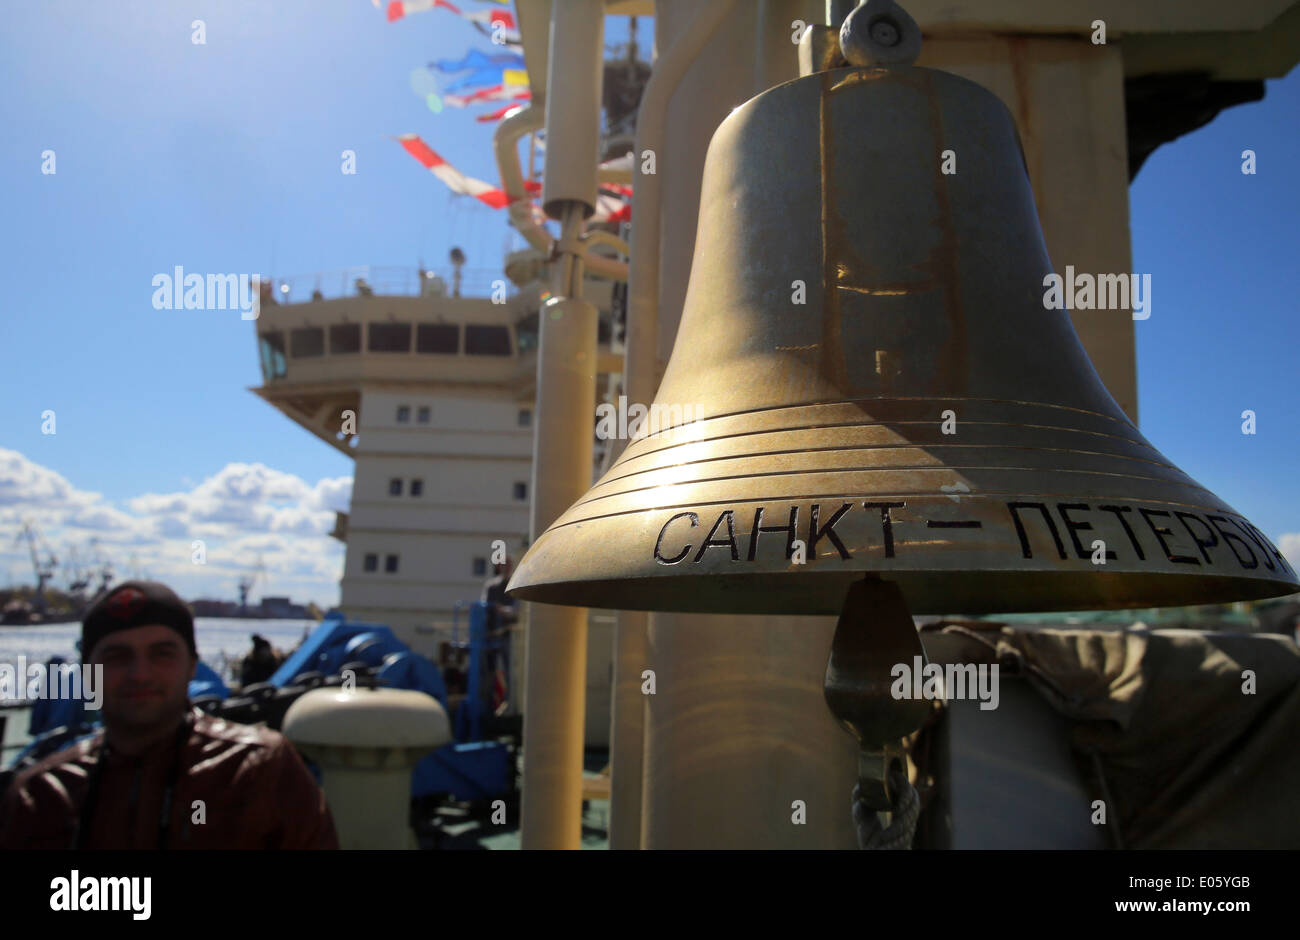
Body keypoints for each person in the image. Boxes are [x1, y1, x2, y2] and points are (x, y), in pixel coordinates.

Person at [0, 581, 338, 850]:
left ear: (192, 665)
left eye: (162, 654)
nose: (140, 674)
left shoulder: (260, 771)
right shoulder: (42, 796)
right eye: (117, 656)